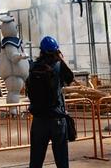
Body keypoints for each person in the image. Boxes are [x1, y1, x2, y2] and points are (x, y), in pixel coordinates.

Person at [26, 36, 75, 168]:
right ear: (56, 51)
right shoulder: (58, 66)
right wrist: (60, 59)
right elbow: (70, 78)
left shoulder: (33, 66)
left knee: (36, 160)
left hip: (38, 120)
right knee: (61, 160)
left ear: (41, 51)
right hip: (56, 119)